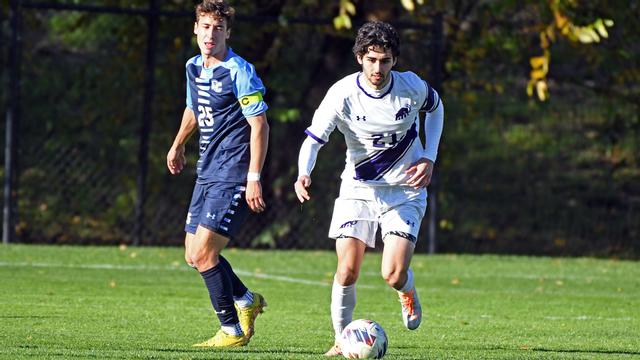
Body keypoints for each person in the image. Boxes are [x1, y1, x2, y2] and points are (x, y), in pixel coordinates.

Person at [293, 21, 444, 356]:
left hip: (404, 191)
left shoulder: (411, 87)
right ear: (360, 57)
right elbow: (314, 140)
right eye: (372, 59)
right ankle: (339, 339)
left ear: (394, 60)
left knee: (391, 273)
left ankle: (407, 289)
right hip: (358, 189)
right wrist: (304, 173)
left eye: (385, 60)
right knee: (347, 269)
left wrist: (429, 157)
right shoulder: (342, 94)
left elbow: (436, 108)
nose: (378, 68)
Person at [166, 0, 269, 348]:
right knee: (191, 254)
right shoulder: (193, 67)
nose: (211, 34)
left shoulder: (240, 70)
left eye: (218, 28)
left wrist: (253, 177)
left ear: (228, 32)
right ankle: (245, 300)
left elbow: (260, 125)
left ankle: (231, 330)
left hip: (233, 172)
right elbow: (194, 108)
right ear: (195, 28)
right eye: (206, 27)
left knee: (204, 255)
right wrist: (178, 144)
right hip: (206, 170)